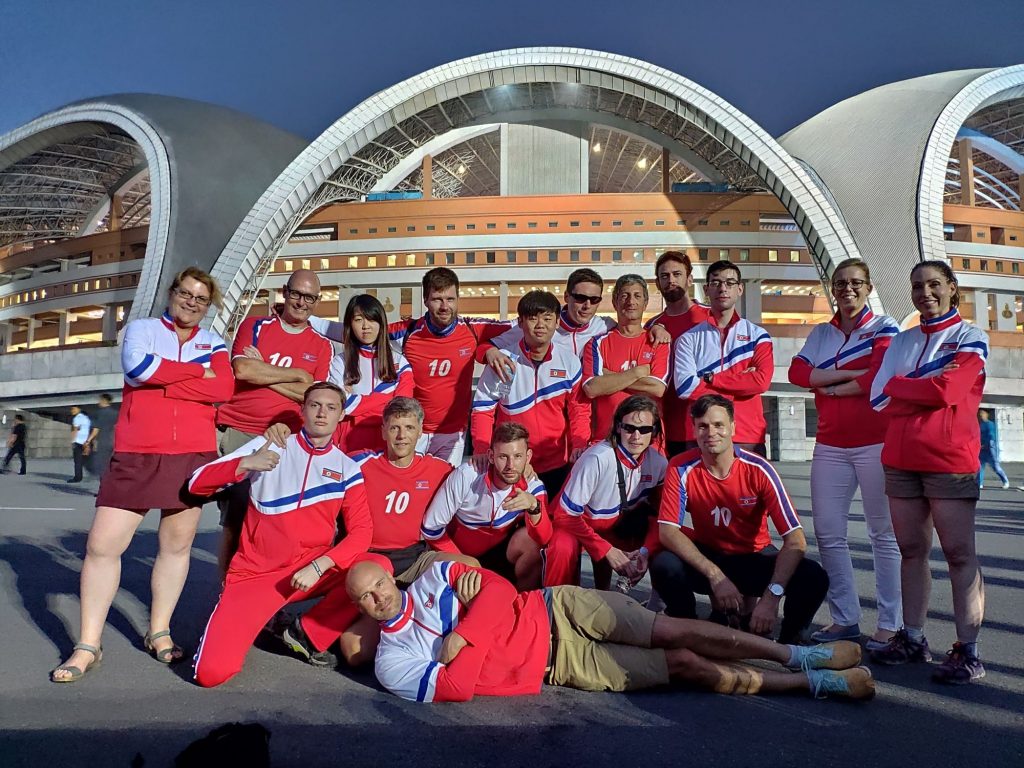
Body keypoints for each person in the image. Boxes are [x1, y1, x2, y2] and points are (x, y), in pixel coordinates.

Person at [50, 267, 234, 683]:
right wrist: (194, 375)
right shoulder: (142, 329)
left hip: (190, 454)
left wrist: (167, 376)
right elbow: (138, 367)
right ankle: (87, 644)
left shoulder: (213, 341)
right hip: (137, 452)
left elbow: (223, 388)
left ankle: (159, 631)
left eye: (200, 298)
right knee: (102, 546)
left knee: (176, 546)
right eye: (185, 293)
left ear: (208, 306)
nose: (191, 302)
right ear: (172, 293)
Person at [346, 559, 875, 702]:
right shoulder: (392, 660)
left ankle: (794, 656)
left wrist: (460, 640)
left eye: (380, 583)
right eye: (366, 597)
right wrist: (479, 623)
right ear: (361, 608)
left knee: (674, 629)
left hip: (556, 606)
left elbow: (503, 590)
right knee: (684, 666)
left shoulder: (435, 574)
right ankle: (813, 685)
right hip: (559, 665)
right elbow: (458, 691)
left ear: (390, 575)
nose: (380, 597)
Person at [188, 382, 371, 688]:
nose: (322, 413)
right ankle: (265, 616)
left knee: (374, 568)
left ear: (341, 415)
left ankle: (306, 634)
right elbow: (195, 484)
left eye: (331, 407)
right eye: (314, 405)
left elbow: (362, 533)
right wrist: (244, 463)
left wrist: (319, 566)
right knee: (211, 674)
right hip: (255, 575)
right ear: (302, 410)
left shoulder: (348, 468)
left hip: (307, 570)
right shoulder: (270, 445)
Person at [270, 396, 474, 668]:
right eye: (394, 428)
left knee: (470, 568)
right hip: (370, 559)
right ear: (383, 431)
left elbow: (477, 476)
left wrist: (521, 472)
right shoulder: (361, 463)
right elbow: (316, 457)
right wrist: (283, 434)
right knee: (354, 652)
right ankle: (305, 631)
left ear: (421, 430)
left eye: (409, 428)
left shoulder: (439, 470)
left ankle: (460, 637)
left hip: (415, 558)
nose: (402, 436)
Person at [869, 261, 988, 684]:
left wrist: (901, 386)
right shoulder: (901, 342)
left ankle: (968, 650)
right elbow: (877, 399)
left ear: (951, 288)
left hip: (949, 460)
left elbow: (950, 391)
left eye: (935, 284)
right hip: (900, 459)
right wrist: (922, 392)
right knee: (911, 551)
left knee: (959, 554)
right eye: (918, 286)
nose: (926, 293)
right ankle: (914, 637)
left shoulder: (970, 337)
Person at [787, 258, 902, 649]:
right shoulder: (822, 333)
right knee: (830, 533)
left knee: (882, 533)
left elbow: (880, 378)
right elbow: (798, 375)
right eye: (839, 284)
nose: (847, 289)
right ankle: (845, 619)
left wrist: (830, 385)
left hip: (875, 442)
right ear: (831, 289)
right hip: (831, 445)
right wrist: (849, 377)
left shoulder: (885, 327)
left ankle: (890, 622)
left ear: (869, 287)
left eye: (855, 283)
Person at [651, 395, 829, 644]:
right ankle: (688, 631)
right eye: (703, 426)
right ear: (694, 430)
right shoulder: (680, 467)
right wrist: (715, 576)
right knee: (663, 564)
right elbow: (668, 531)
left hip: (752, 558)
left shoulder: (759, 469)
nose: (710, 432)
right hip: (711, 558)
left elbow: (796, 541)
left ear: (733, 427)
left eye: (718, 425)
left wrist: (771, 597)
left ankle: (790, 643)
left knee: (814, 576)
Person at [313, 268, 509, 465]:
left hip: (452, 433)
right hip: (413, 431)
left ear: (458, 299)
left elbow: (523, 327)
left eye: (450, 299)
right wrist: (305, 319)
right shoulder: (408, 332)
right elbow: (363, 331)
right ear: (425, 300)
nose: (444, 306)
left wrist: (487, 349)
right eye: (437, 299)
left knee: (443, 487)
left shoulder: (472, 329)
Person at [214, 268, 333, 578]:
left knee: (275, 523)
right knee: (236, 520)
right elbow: (242, 371)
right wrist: (295, 375)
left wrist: (263, 370)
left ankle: (265, 595)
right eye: (296, 293)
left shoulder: (321, 346)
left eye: (309, 297)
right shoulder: (255, 325)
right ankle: (227, 592)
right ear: (284, 292)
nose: (301, 302)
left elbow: (311, 394)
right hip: (240, 431)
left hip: (283, 438)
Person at [470, 290, 588, 495]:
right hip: (511, 464)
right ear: (521, 322)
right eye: (532, 319)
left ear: (558, 322)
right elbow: (482, 410)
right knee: (511, 525)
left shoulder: (569, 361)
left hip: (556, 463)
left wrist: (580, 443)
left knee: (548, 523)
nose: (540, 325)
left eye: (547, 318)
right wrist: (481, 449)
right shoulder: (502, 361)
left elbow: (579, 409)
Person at [543, 395, 668, 589]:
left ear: (654, 432)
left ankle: (659, 603)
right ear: (618, 427)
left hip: (614, 525)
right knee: (562, 547)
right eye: (629, 428)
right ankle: (555, 604)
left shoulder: (659, 463)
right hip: (577, 524)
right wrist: (606, 550)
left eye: (644, 430)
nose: (636, 436)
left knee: (673, 540)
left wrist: (644, 551)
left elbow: (662, 519)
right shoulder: (597, 458)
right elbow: (564, 516)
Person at [421, 422, 550, 588]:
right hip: (460, 552)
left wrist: (534, 506)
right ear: (490, 456)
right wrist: (465, 563)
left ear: (528, 456)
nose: (511, 465)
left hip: (501, 552)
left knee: (533, 546)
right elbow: (431, 528)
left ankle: (523, 603)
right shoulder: (467, 475)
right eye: (503, 456)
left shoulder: (533, 485)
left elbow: (544, 539)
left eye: (518, 456)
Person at [672, 260, 773, 455]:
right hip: (701, 436)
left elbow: (760, 382)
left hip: (747, 435)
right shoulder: (688, 338)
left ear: (740, 289)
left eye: (730, 283)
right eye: (716, 283)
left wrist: (710, 379)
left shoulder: (758, 335)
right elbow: (685, 388)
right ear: (706, 289)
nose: (723, 288)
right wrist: (742, 383)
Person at [582, 274, 670, 441]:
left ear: (645, 303)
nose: (631, 301)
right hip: (607, 441)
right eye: (625, 295)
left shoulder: (659, 341)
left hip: (649, 441)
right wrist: (638, 373)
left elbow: (658, 389)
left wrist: (608, 377)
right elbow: (592, 388)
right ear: (615, 302)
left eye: (637, 296)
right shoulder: (597, 343)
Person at [328, 293, 413, 453]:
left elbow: (401, 409)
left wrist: (355, 407)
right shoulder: (339, 362)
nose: (365, 326)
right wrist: (386, 399)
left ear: (381, 323)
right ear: (349, 324)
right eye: (358, 320)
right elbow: (338, 405)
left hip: (387, 444)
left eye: (371, 319)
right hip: (349, 444)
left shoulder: (400, 363)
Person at [645, 251, 710, 456]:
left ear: (689, 279)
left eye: (677, 274)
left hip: (707, 424)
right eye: (664, 276)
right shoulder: (652, 326)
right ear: (657, 282)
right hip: (669, 429)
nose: (671, 280)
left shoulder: (711, 317)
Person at [84, 394, 117, 478]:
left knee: (99, 465)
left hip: (100, 442)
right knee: (108, 463)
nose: (98, 402)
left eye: (99, 400)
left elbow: (96, 429)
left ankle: (103, 486)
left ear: (103, 400)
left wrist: (88, 441)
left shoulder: (98, 413)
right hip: (111, 442)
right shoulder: (116, 413)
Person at [977, 409, 1010, 489]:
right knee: (980, 467)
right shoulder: (980, 425)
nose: (981, 415)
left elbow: (991, 436)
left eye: (982, 413)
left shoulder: (990, 424)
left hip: (991, 449)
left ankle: (1005, 481)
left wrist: (988, 445)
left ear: (986, 415)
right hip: (982, 450)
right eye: (980, 413)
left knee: (996, 467)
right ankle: (980, 483)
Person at [68, 405, 91, 483]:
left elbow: (74, 430)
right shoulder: (86, 418)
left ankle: (78, 477)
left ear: (79, 409)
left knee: (77, 461)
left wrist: (72, 441)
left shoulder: (77, 418)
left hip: (78, 442)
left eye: (74, 409)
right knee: (87, 460)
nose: (72, 410)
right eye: (71, 409)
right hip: (87, 442)